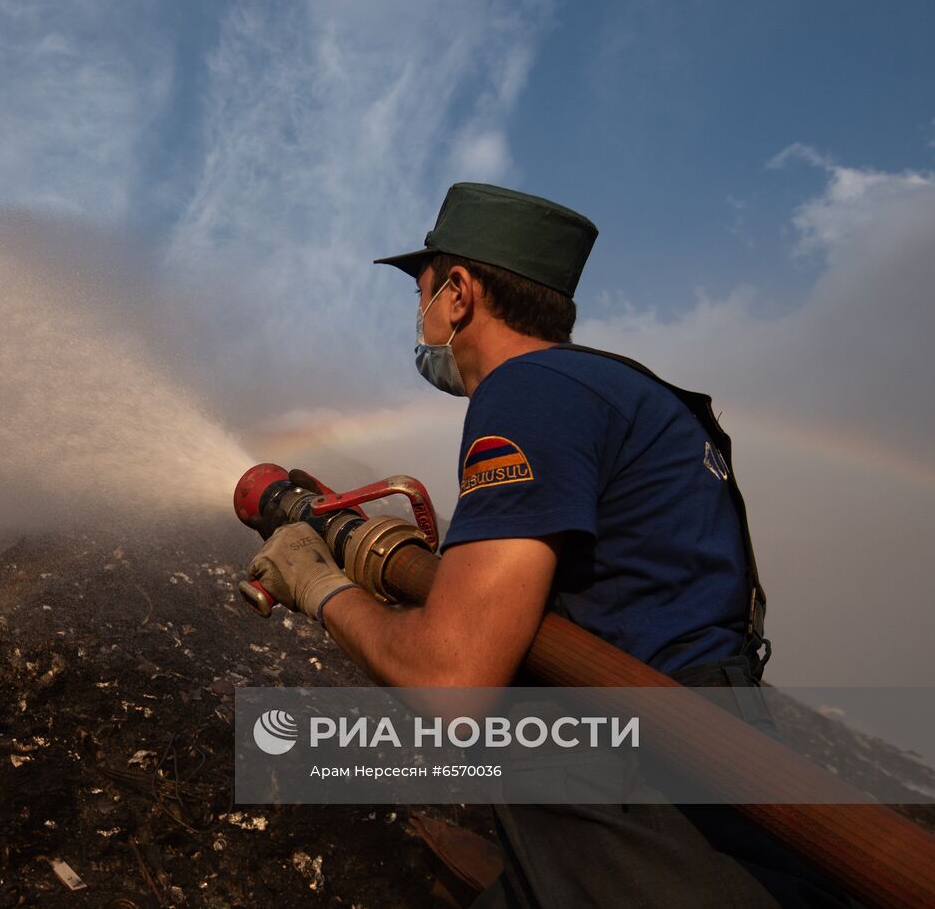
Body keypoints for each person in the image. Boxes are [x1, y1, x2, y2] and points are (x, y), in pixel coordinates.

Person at [246, 183, 853, 907]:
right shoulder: (619, 389)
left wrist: (317, 585)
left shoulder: (527, 391)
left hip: (638, 783)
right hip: (705, 757)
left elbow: (451, 677)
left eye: (423, 289)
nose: (420, 311)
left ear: (460, 294)